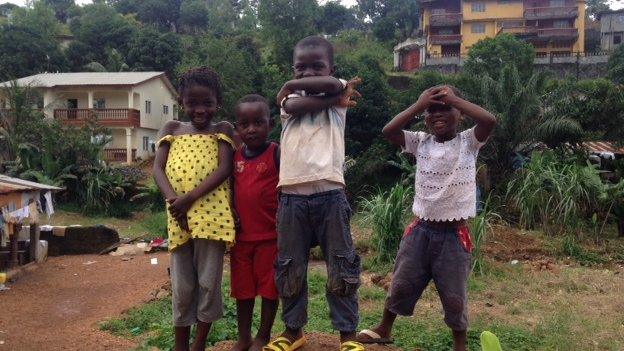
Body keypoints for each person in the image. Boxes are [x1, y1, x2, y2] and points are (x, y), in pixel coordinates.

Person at [357, 85, 497, 351]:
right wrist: (420, 104)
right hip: (420, 230)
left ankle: (460, 345)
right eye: (432, 111)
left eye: (446, 109)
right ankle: (384, 328)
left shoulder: (469, 141)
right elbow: (388, 131)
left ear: (461, 113)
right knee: (401, 283)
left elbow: (489, 120)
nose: (437, 115)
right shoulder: (421, 141)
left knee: (455, 296)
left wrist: (454, 98)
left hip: (453, 237)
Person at [263, 35, 364, 351]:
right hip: (291, 197)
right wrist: (328, 97)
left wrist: (335, 95)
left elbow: (334, 86)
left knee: (341, 264)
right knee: (290, 265)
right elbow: (293, 104)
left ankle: (347, 335)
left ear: (331, 68)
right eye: (300, 68)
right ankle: (294, 330)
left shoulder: (337, 87)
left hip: (331, 194)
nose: (307, 73)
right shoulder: (289, 103)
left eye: (316, 66)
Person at [153, 67, 236, 351]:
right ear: (181, 102)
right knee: (183, 286)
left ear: (218, 102)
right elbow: (158, 169)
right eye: (192, 103)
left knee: (208, 284)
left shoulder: (223, 129)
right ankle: (180, 346)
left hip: (212, 219)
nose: (200, 110)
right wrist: (174, 202)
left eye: (207, 103)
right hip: (178, 218)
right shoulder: (171, 130)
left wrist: (188, 198)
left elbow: (225, 169)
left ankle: (199, 344)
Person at [230, 94, 280, 351]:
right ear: (236, 128)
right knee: (243, 291)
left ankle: (263, 336)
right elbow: (229, 189)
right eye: (244, 124)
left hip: (271, 238)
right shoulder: (234, 157)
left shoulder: (276, 153)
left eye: (258, 122)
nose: (251, 129)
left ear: (270, 124)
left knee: (270, 290)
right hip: (241, 239)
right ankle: (243, 336)